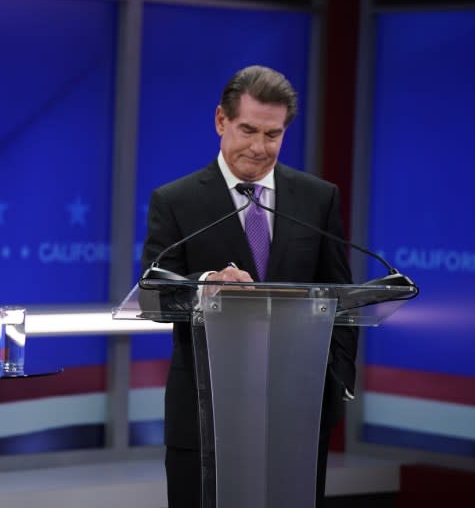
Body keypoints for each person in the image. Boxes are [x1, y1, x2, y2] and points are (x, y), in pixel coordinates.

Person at [141, 65, 357, 508]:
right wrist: (206, 284)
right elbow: (154, 294)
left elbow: (342, 298)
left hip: (296, 411)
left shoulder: (317, 198)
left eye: (273, 135)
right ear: (221, 120)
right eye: (248, 130)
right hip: (207, 413)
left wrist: (334, 382)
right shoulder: (177, 200)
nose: (260, 148)